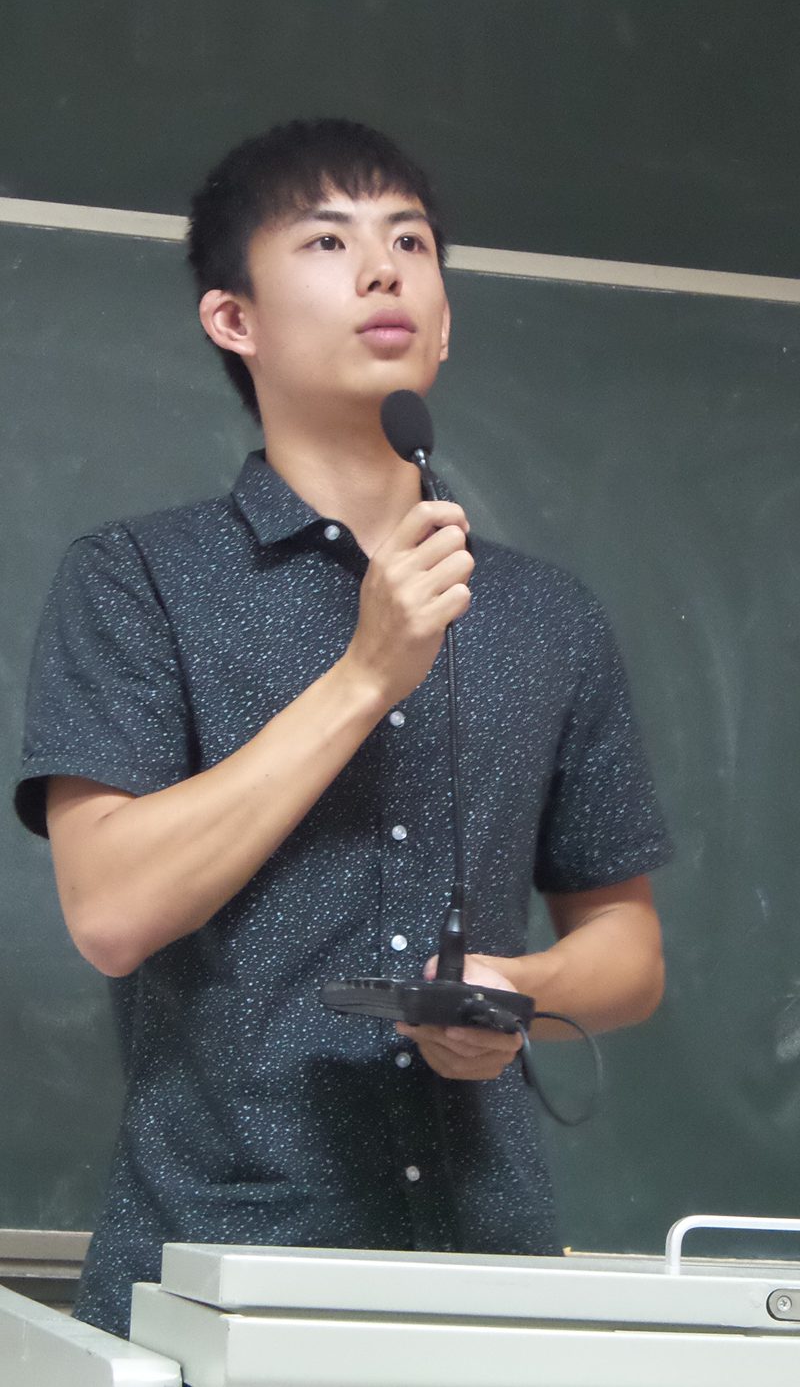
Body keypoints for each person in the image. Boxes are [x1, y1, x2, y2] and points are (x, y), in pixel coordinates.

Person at [15, 119, 672, 1339]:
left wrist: (516, 991)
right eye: (327, 241)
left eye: (409, 242)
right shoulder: (135, 579)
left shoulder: (545, 615)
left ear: (444, 321)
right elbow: (109, 910)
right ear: (234, 319)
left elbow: (627, 949)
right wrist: (366, 674)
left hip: (487, 1283)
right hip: (215, 1278)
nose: (382, 270)